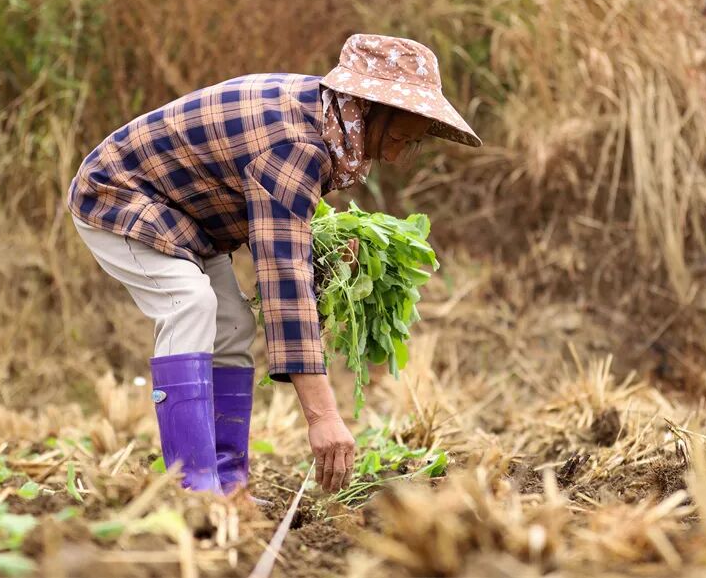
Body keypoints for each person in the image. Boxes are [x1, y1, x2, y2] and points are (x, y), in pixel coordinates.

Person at [67, 34, 481, 497]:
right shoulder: (293, 144)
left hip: (187, 218)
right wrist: (322, 417)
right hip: (117, 193)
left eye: (413, 140)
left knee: (233, 325)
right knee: (191, 304)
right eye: (400, 134)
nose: (397, 153)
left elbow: (285, 217)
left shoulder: (321, 120)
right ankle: (192, 486)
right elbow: (284, 276)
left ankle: (227, 484)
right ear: (365, 107)